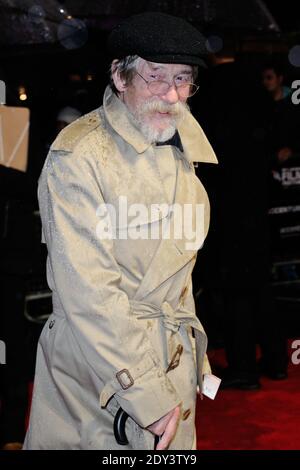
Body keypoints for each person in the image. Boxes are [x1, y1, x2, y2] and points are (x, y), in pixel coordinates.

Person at [23, 12, 218, 450]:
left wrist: (192, 362)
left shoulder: (180, 143)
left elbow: (179, 274)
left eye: (183, 79)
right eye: (155, 77)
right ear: (120, 76)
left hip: (167, 362)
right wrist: (144, 391)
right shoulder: (80, 154)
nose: (171, 94)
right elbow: (89, 292)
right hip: (101, 371)